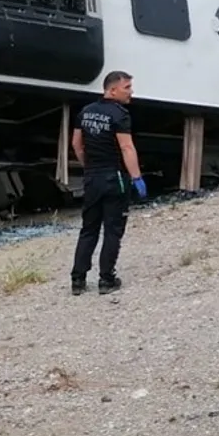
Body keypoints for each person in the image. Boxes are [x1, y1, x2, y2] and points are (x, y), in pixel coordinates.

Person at [70, 70, 147, 296]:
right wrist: (136, 178)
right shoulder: (120, 115)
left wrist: (88, 166)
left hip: (92, 178)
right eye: (127, 88)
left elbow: (76, 144)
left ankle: (78, 280)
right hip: (115, 178)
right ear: (112, 89)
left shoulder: (85, 112)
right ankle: (106, 279)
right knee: (113, 230)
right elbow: (126, 147)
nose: (131, 92)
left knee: (89, 229)